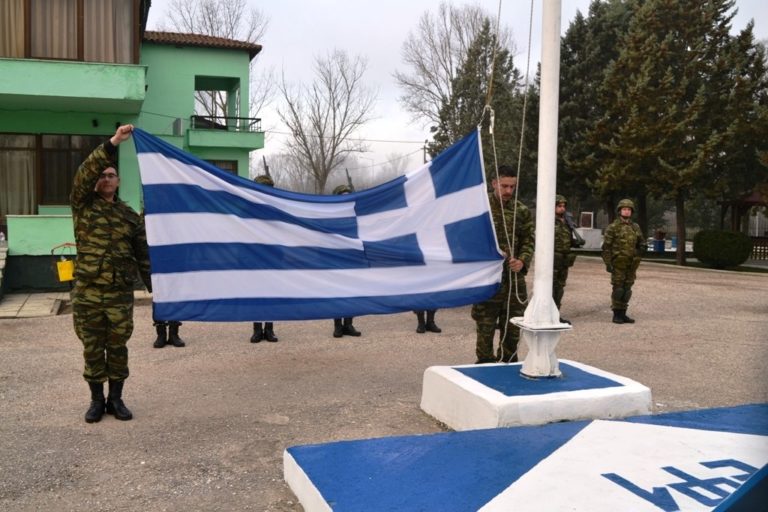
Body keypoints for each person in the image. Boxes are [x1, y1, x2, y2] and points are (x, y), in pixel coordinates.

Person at [70, 124, 151, 423]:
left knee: (117, 347)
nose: (105, 178)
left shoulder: (129, 217)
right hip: (88, 291)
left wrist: (157, 286)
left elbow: (143, 254)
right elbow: (83, 174)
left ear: (118, 182)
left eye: (110, 175)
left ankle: (116, 399)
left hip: (118, 293)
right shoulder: (82, 206)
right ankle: (95, 401)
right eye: (101, 175)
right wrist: (115, 142)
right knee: (92, 348)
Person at [471, 165, 534, 364]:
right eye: (504, 186)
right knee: (485, 326)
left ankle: (508, 364)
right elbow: (468, 239)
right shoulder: (480, 208)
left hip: (514, 280)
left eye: (512, 187)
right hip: (488, 279)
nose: (508, 191)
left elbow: (529, 239)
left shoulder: (521, 211)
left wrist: (522, 260)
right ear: (494, 183)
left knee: (513, 326)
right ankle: (484, 365)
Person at [602, 198, 645, 324]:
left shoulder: (635, 227)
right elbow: (606, 248)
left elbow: (641, 242)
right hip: (618, 263)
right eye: (624, 209)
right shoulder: (613, 227)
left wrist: (641, 250)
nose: (626, 212)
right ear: (620, 211)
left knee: (627, 290)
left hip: (631, 264)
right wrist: (608, 263)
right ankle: (616, 314)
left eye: (629, 210)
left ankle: (623, 313)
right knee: (618, 289)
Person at [248, 174, 279, 343]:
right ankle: (257, 330)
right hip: (254, 258)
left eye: (268, 187)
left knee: (272, 294)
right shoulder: (249, 207)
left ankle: (270, 329)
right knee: (257, 295)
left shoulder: (275, 208)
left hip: (273, 258)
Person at [331, 184, 362, 338]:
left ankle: (348, 324)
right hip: (336, 261)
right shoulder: (330, 217)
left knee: (351, 293)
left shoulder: (354, 216)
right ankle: (337, 326)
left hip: (351, 260)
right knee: (337, 294)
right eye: (343, 196)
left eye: (348, 196)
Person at [553, 195, 583, 324]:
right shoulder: (547, 221)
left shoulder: (567, 223)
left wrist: (575, 242)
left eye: (564, 206)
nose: (562, 209)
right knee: (550, 288)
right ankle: (547, 314)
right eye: (559, 206)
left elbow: (568, 240)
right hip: (552, 260)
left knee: (559, 288)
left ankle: (556, 315)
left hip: (564, 260)